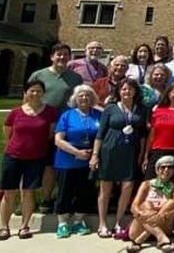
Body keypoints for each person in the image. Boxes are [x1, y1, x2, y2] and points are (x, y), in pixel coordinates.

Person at [28, 43, 84, 213]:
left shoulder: (75, 78)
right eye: (59, 54)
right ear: (52, 56)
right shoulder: (38, 75)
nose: (62, 57)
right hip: (39, 124)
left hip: (63, 126)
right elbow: (28, 97)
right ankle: (26, 199)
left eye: (66, 55)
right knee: (31, 163)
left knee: (51, 165)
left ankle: (46, 199)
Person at [0, 79, 58, 240]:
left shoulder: (50, 112)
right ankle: (4, 226)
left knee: (28, 192)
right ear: (25, 93)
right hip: (13, 156)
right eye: (32, 90)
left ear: (43, 93)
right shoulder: (16, 112)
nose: (35, 93)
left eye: (39, 90)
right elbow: (8, 133)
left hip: (36, 158)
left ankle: (25, 226)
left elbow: (50, 135)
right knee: (8, 193)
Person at [92, 78, 149, 239]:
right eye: (124, 89)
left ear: (135, 92)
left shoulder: (142, 110)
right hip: (109, 150)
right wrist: (95, 155)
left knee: (127, 186)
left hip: (131, 151)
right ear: (118, 91)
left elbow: (144, 135)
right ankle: (102, 224)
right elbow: (100, 133)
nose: (127, 92)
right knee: (106, 187)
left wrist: (142, 154)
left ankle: (118, 222)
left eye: (130, 89)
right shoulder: (110, 108)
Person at [53, 85, 101, 238]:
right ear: (75, 98)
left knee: (84, 191)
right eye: (81, 95)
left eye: (87, 95)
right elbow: (58, 140)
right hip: (67, 158)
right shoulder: (67, 115)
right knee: (65, 191)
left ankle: (79, 221)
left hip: (89, 159)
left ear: (92, 98)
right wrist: (77, 152)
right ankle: (62, 223)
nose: (84, 98)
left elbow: (101, 137)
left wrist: (94, 154)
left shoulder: (98, 115)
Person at [126, 155, 174, 253]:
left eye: (170, 167)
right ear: (157, 170)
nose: (166, 170)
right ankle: (161, 238)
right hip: (139, 228)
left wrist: (162, 215)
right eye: (163, 167)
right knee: (146, 204)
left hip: (164, 225)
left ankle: (141, 240)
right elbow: (134, 206)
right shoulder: (146, 184)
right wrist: (141, 214)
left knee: (171, 203)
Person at [144, 82, 174, 188]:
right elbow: (152, 135)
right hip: (158, 151)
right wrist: (146, 155)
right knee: (151, 182)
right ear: (168, 94)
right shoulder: (158, 110)